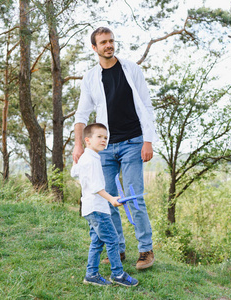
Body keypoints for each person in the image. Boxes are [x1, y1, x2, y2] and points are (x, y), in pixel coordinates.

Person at [72, 27, 158, 270]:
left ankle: (145, 250)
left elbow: (146, 106)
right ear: (94, 48)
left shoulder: (131, 69)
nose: (108, 45)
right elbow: (81, 114)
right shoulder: (90, 78)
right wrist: (79, 144)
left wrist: (148, 140)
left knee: (133, 197)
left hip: (133, 142)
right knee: (109, 200)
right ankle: (117, 250)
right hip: (105, 148)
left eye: (110, 41)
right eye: (103, 42)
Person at [71, 123, 139, 287]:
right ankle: (117, 274)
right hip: (97, 208)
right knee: (113, 240)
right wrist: (111, 199)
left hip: (90, 208)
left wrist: (75, 161)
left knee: (97, 241)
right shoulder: (92, 160)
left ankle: (91, 274)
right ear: (88, 140)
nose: (104, 140)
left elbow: (74, 173)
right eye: (99, 137)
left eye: (106, 138)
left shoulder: (87, 158)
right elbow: (96, 187)